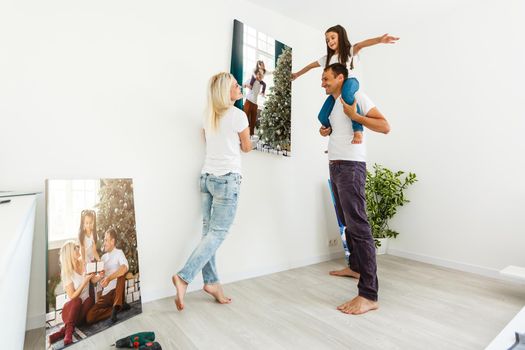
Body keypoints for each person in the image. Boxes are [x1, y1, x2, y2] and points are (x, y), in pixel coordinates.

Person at [171, 72, 252, 311]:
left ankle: (212, 283)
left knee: (209, 233)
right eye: (236, 86)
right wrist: (245, 141)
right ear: (226, 92)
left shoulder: (209, 115)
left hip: (206, 178)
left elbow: (207, 140)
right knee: (217, 234)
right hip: (227, 180)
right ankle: (184, 277)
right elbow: (246, 148)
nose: (239, 88)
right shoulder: (238, 116)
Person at [319, 63, 390, 315]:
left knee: (359, 227)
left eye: (326, 78)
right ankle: (355, 267)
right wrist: (326, 129)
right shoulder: (334, 104)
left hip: (351, 167)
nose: (322, 83)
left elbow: (384, 125)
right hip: (336, 165)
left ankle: (369, 294)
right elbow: (336, 130)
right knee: (347, 224)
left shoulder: (357, 97)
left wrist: (356, 117)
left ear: (341, 77)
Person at [292, 24, 398, 144]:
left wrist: (379, 40)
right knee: (321, 116)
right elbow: (311, 66)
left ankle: (358, 131)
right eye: (327, 40)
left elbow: (361, 45)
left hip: (350, 82)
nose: (330, 41)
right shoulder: (327, 58)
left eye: (333, 37)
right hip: (337, 90)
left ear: (341, 37)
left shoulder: (348, 51)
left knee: (347, 95)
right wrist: (297, 74)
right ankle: (331, 132)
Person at [48, 241, 95, 345]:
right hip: (70, 311)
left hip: (81, 313)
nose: (78, 249)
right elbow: (72, 296)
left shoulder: (84, 262)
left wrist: (98, 276)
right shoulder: (67, 273)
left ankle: (61, 333)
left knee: (89, 301)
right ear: (69, 253)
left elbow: (93, 278)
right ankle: (68, 333)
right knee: (77, 300)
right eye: (75, 248)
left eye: (77, 247)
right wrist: (84, 282)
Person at [86, 229, 129, 324]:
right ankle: (118, 307)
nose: (104, 243)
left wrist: (109, 278)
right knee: (90, 317)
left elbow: (124, 268)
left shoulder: (119, 253)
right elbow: (93, 281)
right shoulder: (103, 258)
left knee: (122, 273)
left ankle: (116, 305)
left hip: (116, 291)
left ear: (112, 241)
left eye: (106, 240)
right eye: (104, 240)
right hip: (106, 295)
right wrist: (98, 276)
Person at [243, 68, 266, 136]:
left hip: (255, 104)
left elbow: (257, 92)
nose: (260, 76)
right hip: (248, 101)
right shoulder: (251, 80)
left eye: (261, 75)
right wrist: (248, 86)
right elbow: (243, 85)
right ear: (256, 74)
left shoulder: (261, 84)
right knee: (245, 119)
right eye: (259, 74)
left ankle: (251, 135)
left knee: (253, 121)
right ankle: (244, 135)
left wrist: (262, 93)